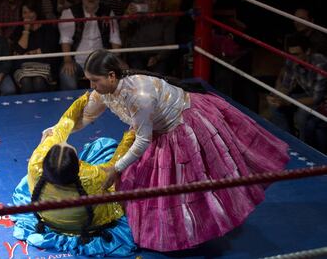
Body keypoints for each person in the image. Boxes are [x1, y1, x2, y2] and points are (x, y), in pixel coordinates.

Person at [42, 49, 290, 252]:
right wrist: (58, 130)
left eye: (94, 80)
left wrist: (114, 169)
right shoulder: (105, 90)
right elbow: (86, 117)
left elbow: (141, 140)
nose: (91, 85)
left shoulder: (139, 95)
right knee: (147, 183)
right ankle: (170, 230)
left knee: (190, 181)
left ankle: (193, 230)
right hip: (156, 130)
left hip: (182, 126)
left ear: (110, 76)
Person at [11, 92, 136, 256]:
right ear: (78, 165)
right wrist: (131, 134)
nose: (64, 141)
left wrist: (85, 99)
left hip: (49, 219)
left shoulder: (37, 162)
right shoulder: (91, 176)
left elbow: (64, 124)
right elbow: (115, 165)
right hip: (90, 223)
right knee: (106, 146)